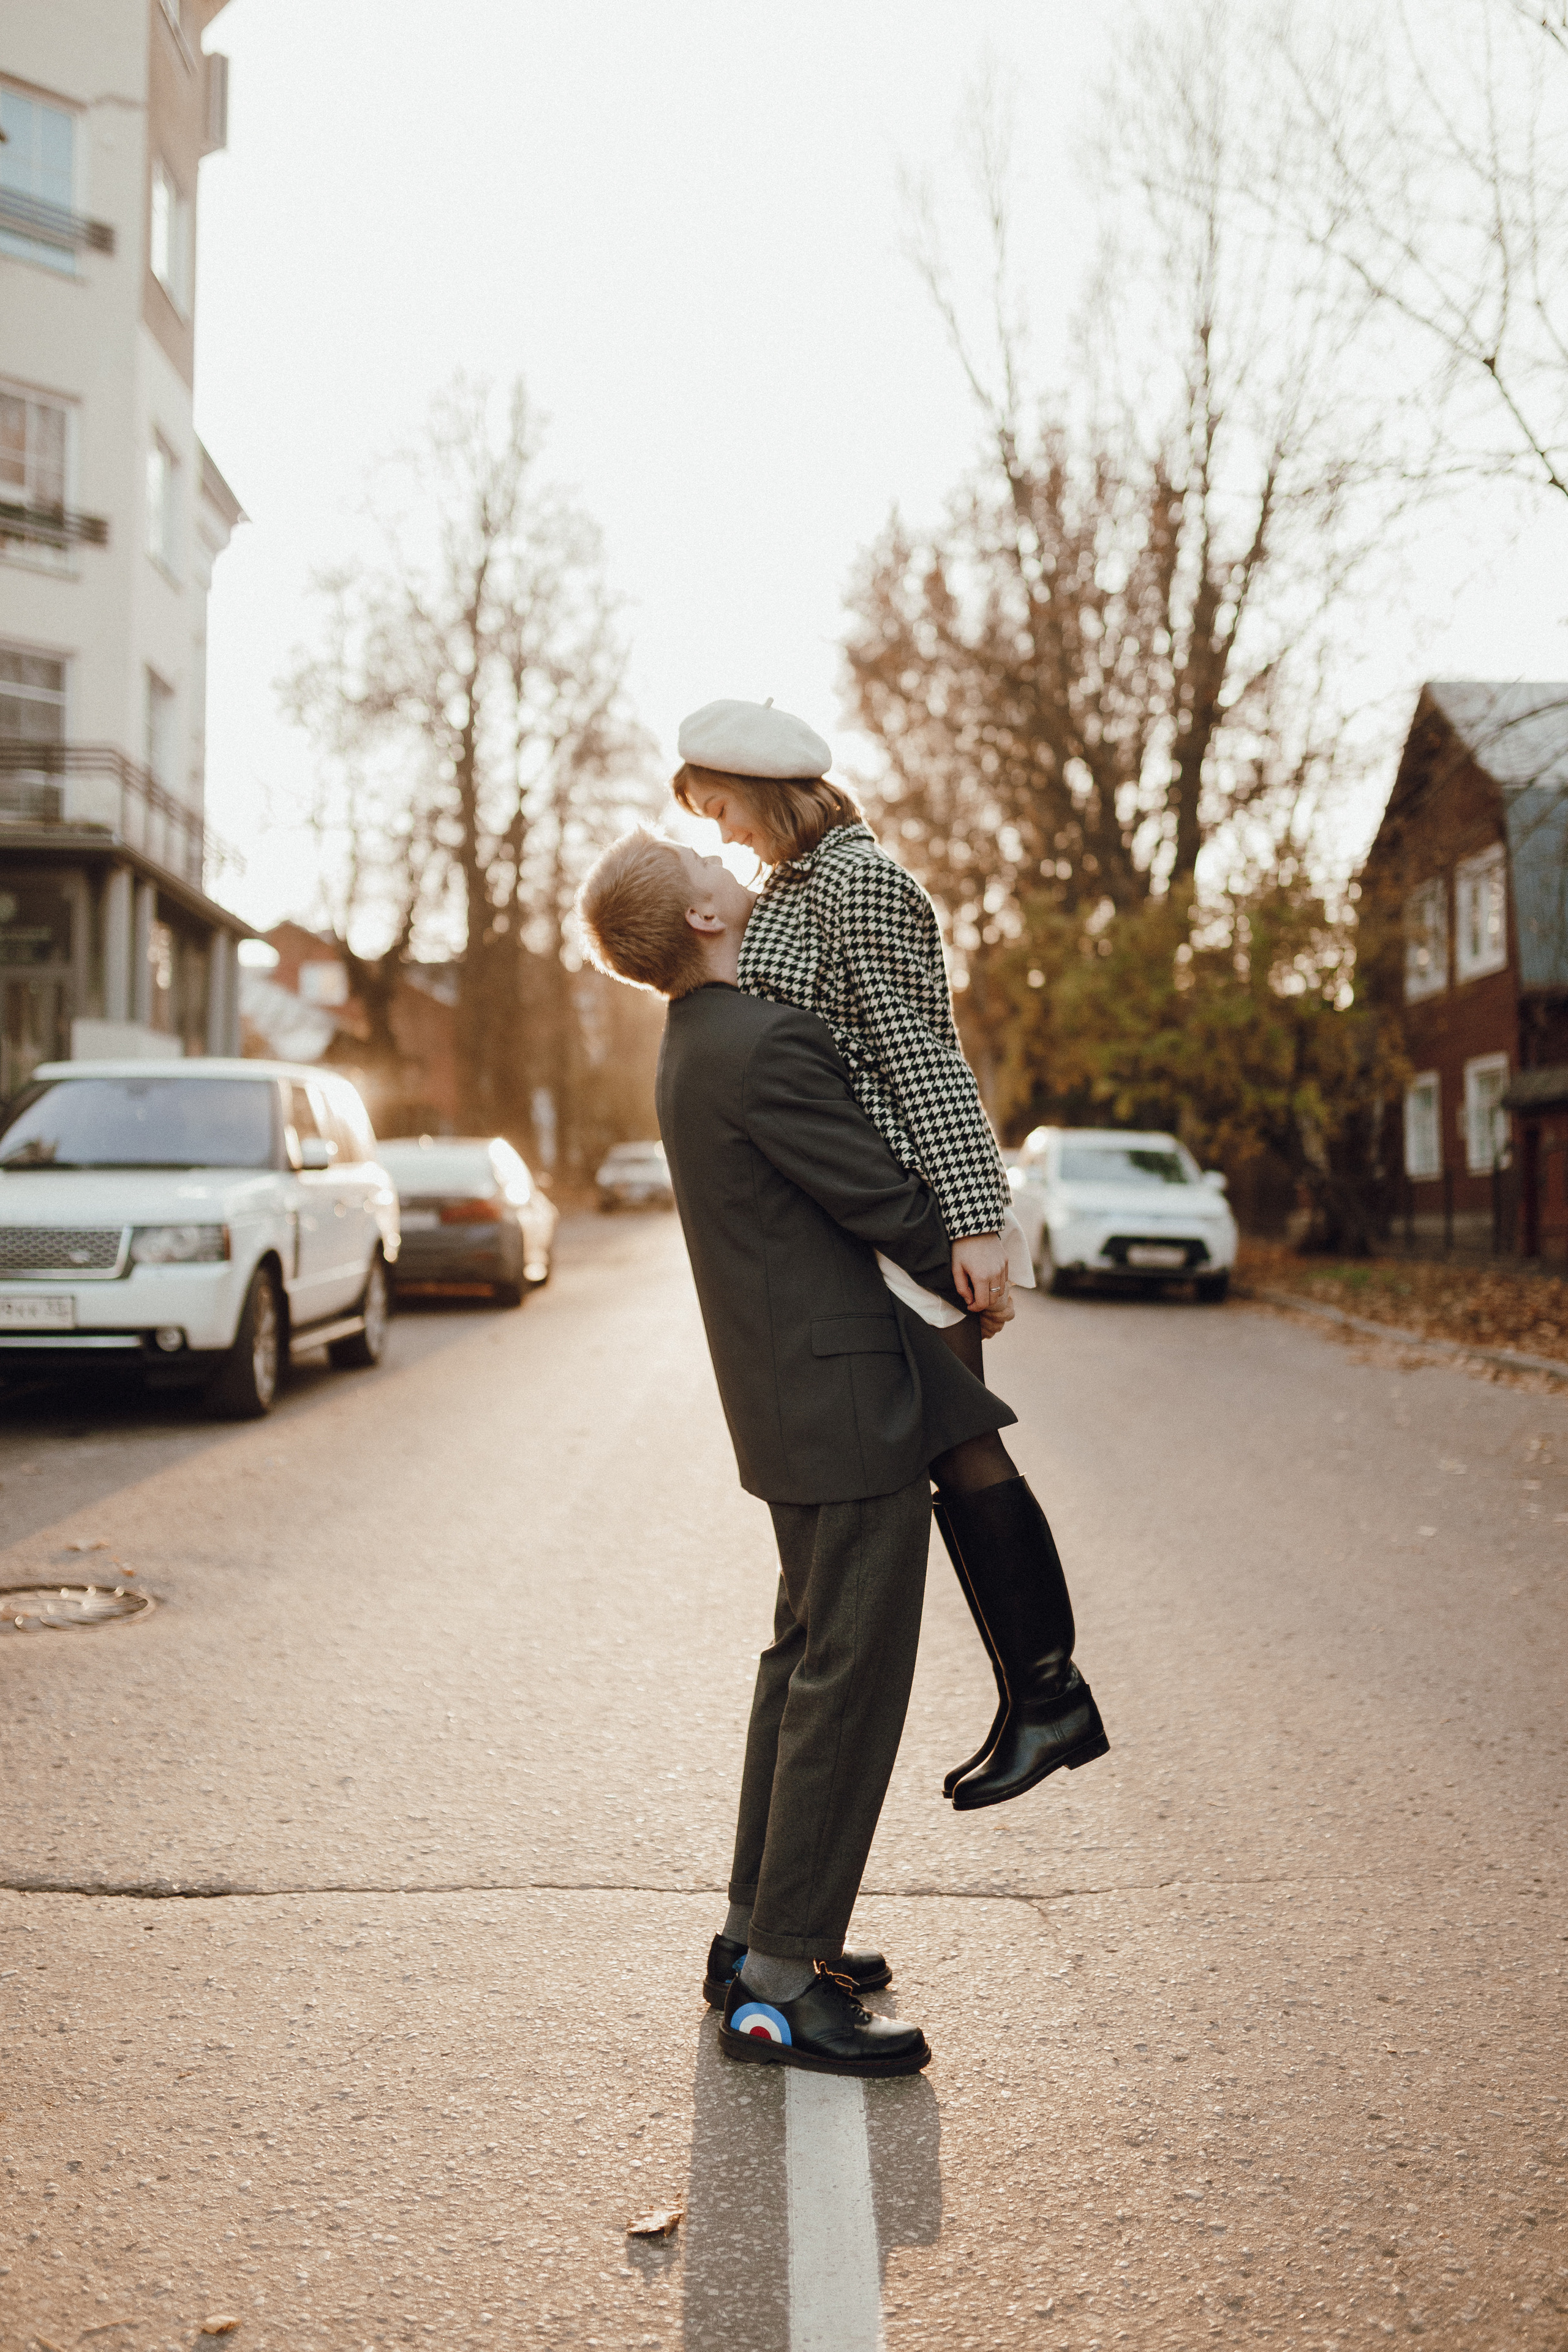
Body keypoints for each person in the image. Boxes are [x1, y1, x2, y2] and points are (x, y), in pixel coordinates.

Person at [577, 827, 1106, 2079]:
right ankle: (777, 1992)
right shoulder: (764, 1044)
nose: (723, 859)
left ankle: (755, 1937)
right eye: (700, 860)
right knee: (845, 1686)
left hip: (797, 1400)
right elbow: (892, 1204)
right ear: (702, 918)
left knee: (802, 1666)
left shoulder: (701, 1041)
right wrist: (972, 1253)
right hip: (842, 1406)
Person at [671, 696, 1102, 1803]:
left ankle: (1050, 1698)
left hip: (909, 1213)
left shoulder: (859, 882)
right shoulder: (796, 888)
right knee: (955, 1453)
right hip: (865, 1228)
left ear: (764, 785)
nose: (720, 831)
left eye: (721, 805)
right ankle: (1041, 1699)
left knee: (966, 1451)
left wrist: (974, 1219)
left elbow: (925, 1054)